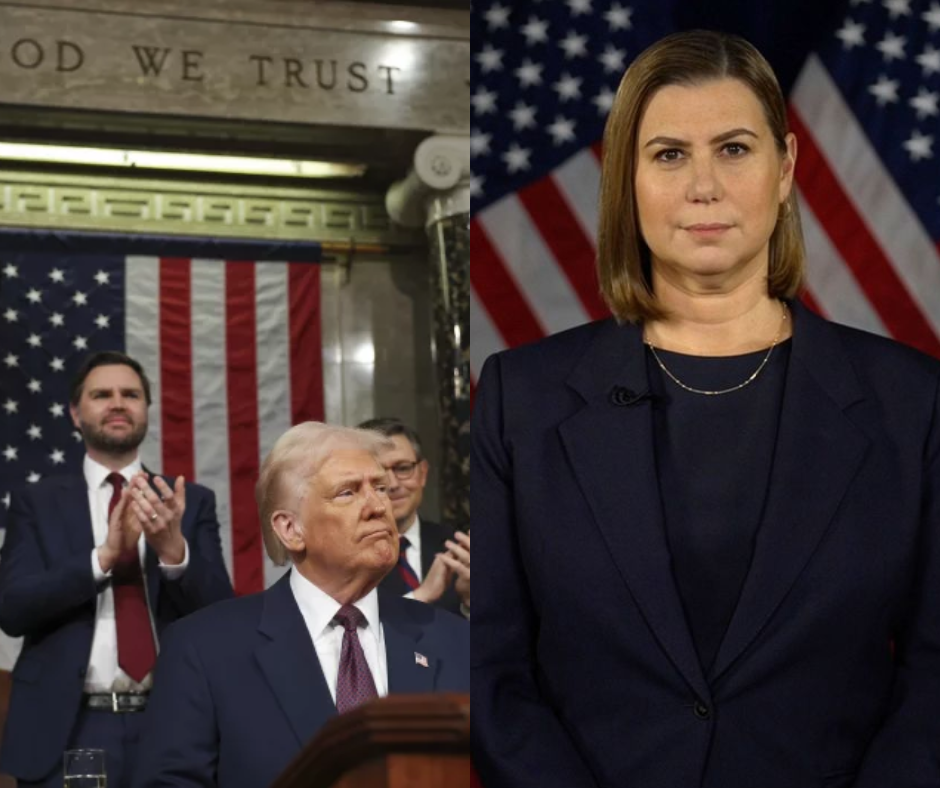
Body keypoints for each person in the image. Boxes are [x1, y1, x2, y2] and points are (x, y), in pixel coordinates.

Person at [472, 29, 940, 788]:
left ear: (785, 167)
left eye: (733, 149)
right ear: (627, 177)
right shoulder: (519, 401)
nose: (703, 187)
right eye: (667, 154)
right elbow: (492, 672)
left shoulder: (911, 403)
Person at [133, 422, 469, 788]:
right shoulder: (204, 648)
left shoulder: (454, 640)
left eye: (381, 489)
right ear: (291, 529)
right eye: (347, 492)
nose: (377, 507)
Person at [0, 351, 233, 788]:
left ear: (146, 409)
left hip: (172, 719)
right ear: (75, 413)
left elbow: (221, 613)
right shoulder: (37, 502)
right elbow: (12, 609)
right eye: (101, 395)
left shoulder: (188, 501)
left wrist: (173, 552)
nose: (118, 403)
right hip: (67, 726)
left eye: (131, 394)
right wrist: (102, 558)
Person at [358, 417, 470, 617]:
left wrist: (470, 602)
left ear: (423, 473)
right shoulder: (343, 556)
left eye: (402, 468)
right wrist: (422, 595)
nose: (392, 484)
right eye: (379, 474)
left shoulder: (457, 547)